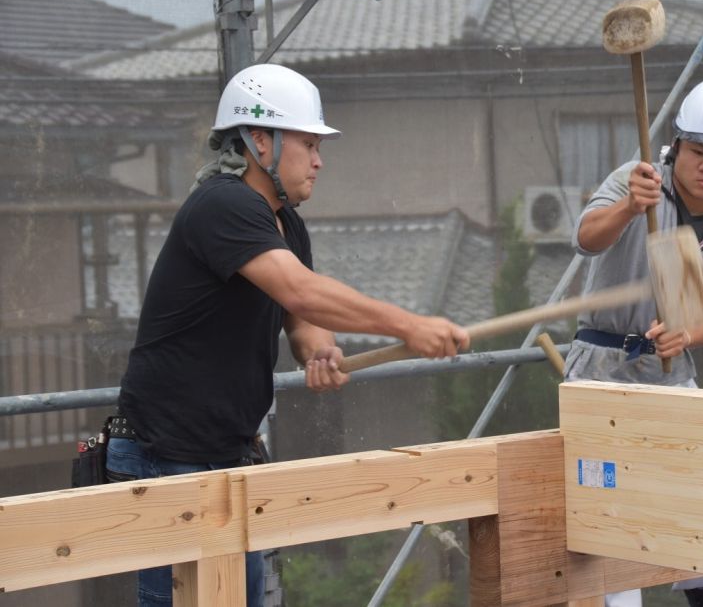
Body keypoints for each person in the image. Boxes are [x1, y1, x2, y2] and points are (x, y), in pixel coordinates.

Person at [104, 63, 469, 607]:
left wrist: (321, 351)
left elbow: (300, 319)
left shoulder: (286, 222)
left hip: (225, 452)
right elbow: (300, 290)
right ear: (259, 141)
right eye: (307, 142)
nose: (319, 160)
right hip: (167, 454)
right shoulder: (222, 206)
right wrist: (409, 326)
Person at [564, 76, 703, 607]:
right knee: (607, 511)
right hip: (600, 370)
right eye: (698, 150)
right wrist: (629, 207)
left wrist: (685, 335)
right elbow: (585, 238)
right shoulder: (638, 180)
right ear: (676, 146)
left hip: (671, 375)